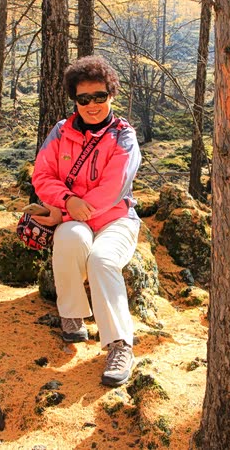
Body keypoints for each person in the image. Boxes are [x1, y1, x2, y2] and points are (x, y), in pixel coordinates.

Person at [30, 55, 141, 387]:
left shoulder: (124, 136)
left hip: (116, 219)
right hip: (74, 215)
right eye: (84, 99)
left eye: (99, 96)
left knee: (102, 259)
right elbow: (42, 175)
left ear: (111, 95)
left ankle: (120, 345)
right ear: (74, 100)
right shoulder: (61, 132)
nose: (92, 105)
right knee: (69, 239)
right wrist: (67, 201)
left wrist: (62, 211)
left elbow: (112, 189)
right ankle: (72, 316)